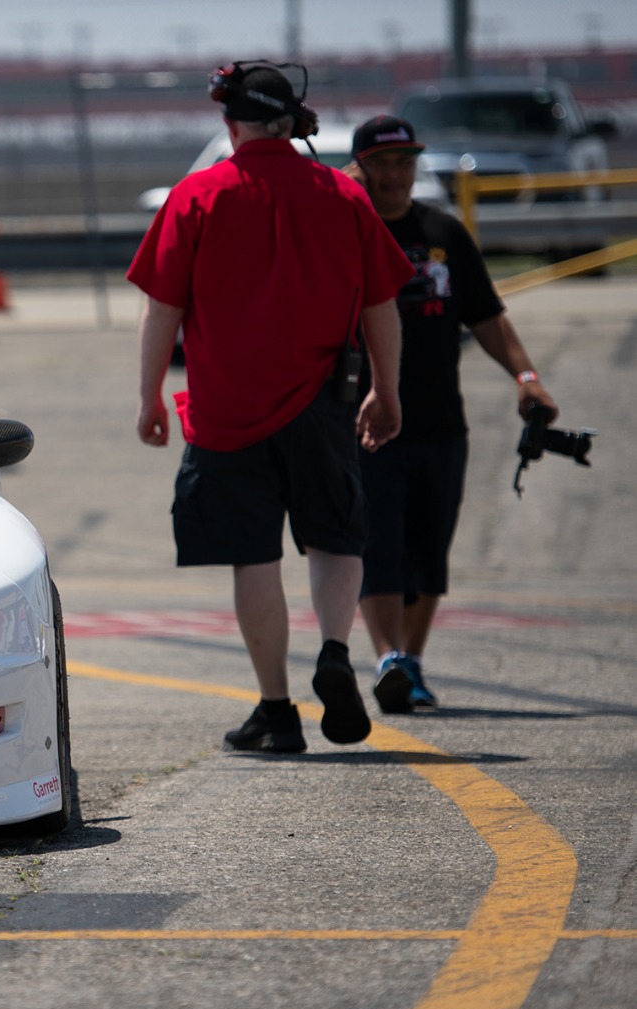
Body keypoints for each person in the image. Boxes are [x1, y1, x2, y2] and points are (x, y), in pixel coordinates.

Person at [126, 60, 414, 754]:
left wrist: (149, 396)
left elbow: (162, 308)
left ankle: (277, 712)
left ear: (231, 121)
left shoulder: (197, 197)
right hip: (324, 400)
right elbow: (382, 303)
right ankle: (337, 652)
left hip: (227, 408)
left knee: (252, 557)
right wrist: (387, 388)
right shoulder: (343, 195)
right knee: (335, 536)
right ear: (294, 121)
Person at [343, 115, 559, 713]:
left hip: (440, 422)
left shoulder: (443, 232)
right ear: (357, 168)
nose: (395, 174)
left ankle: (409, 660)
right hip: (366, 425)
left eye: (405, 162)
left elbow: (487, 317)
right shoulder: (343, 231)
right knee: (378, 544)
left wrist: (527, 377)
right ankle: (388, 656)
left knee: (429, 549)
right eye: (382, 164)